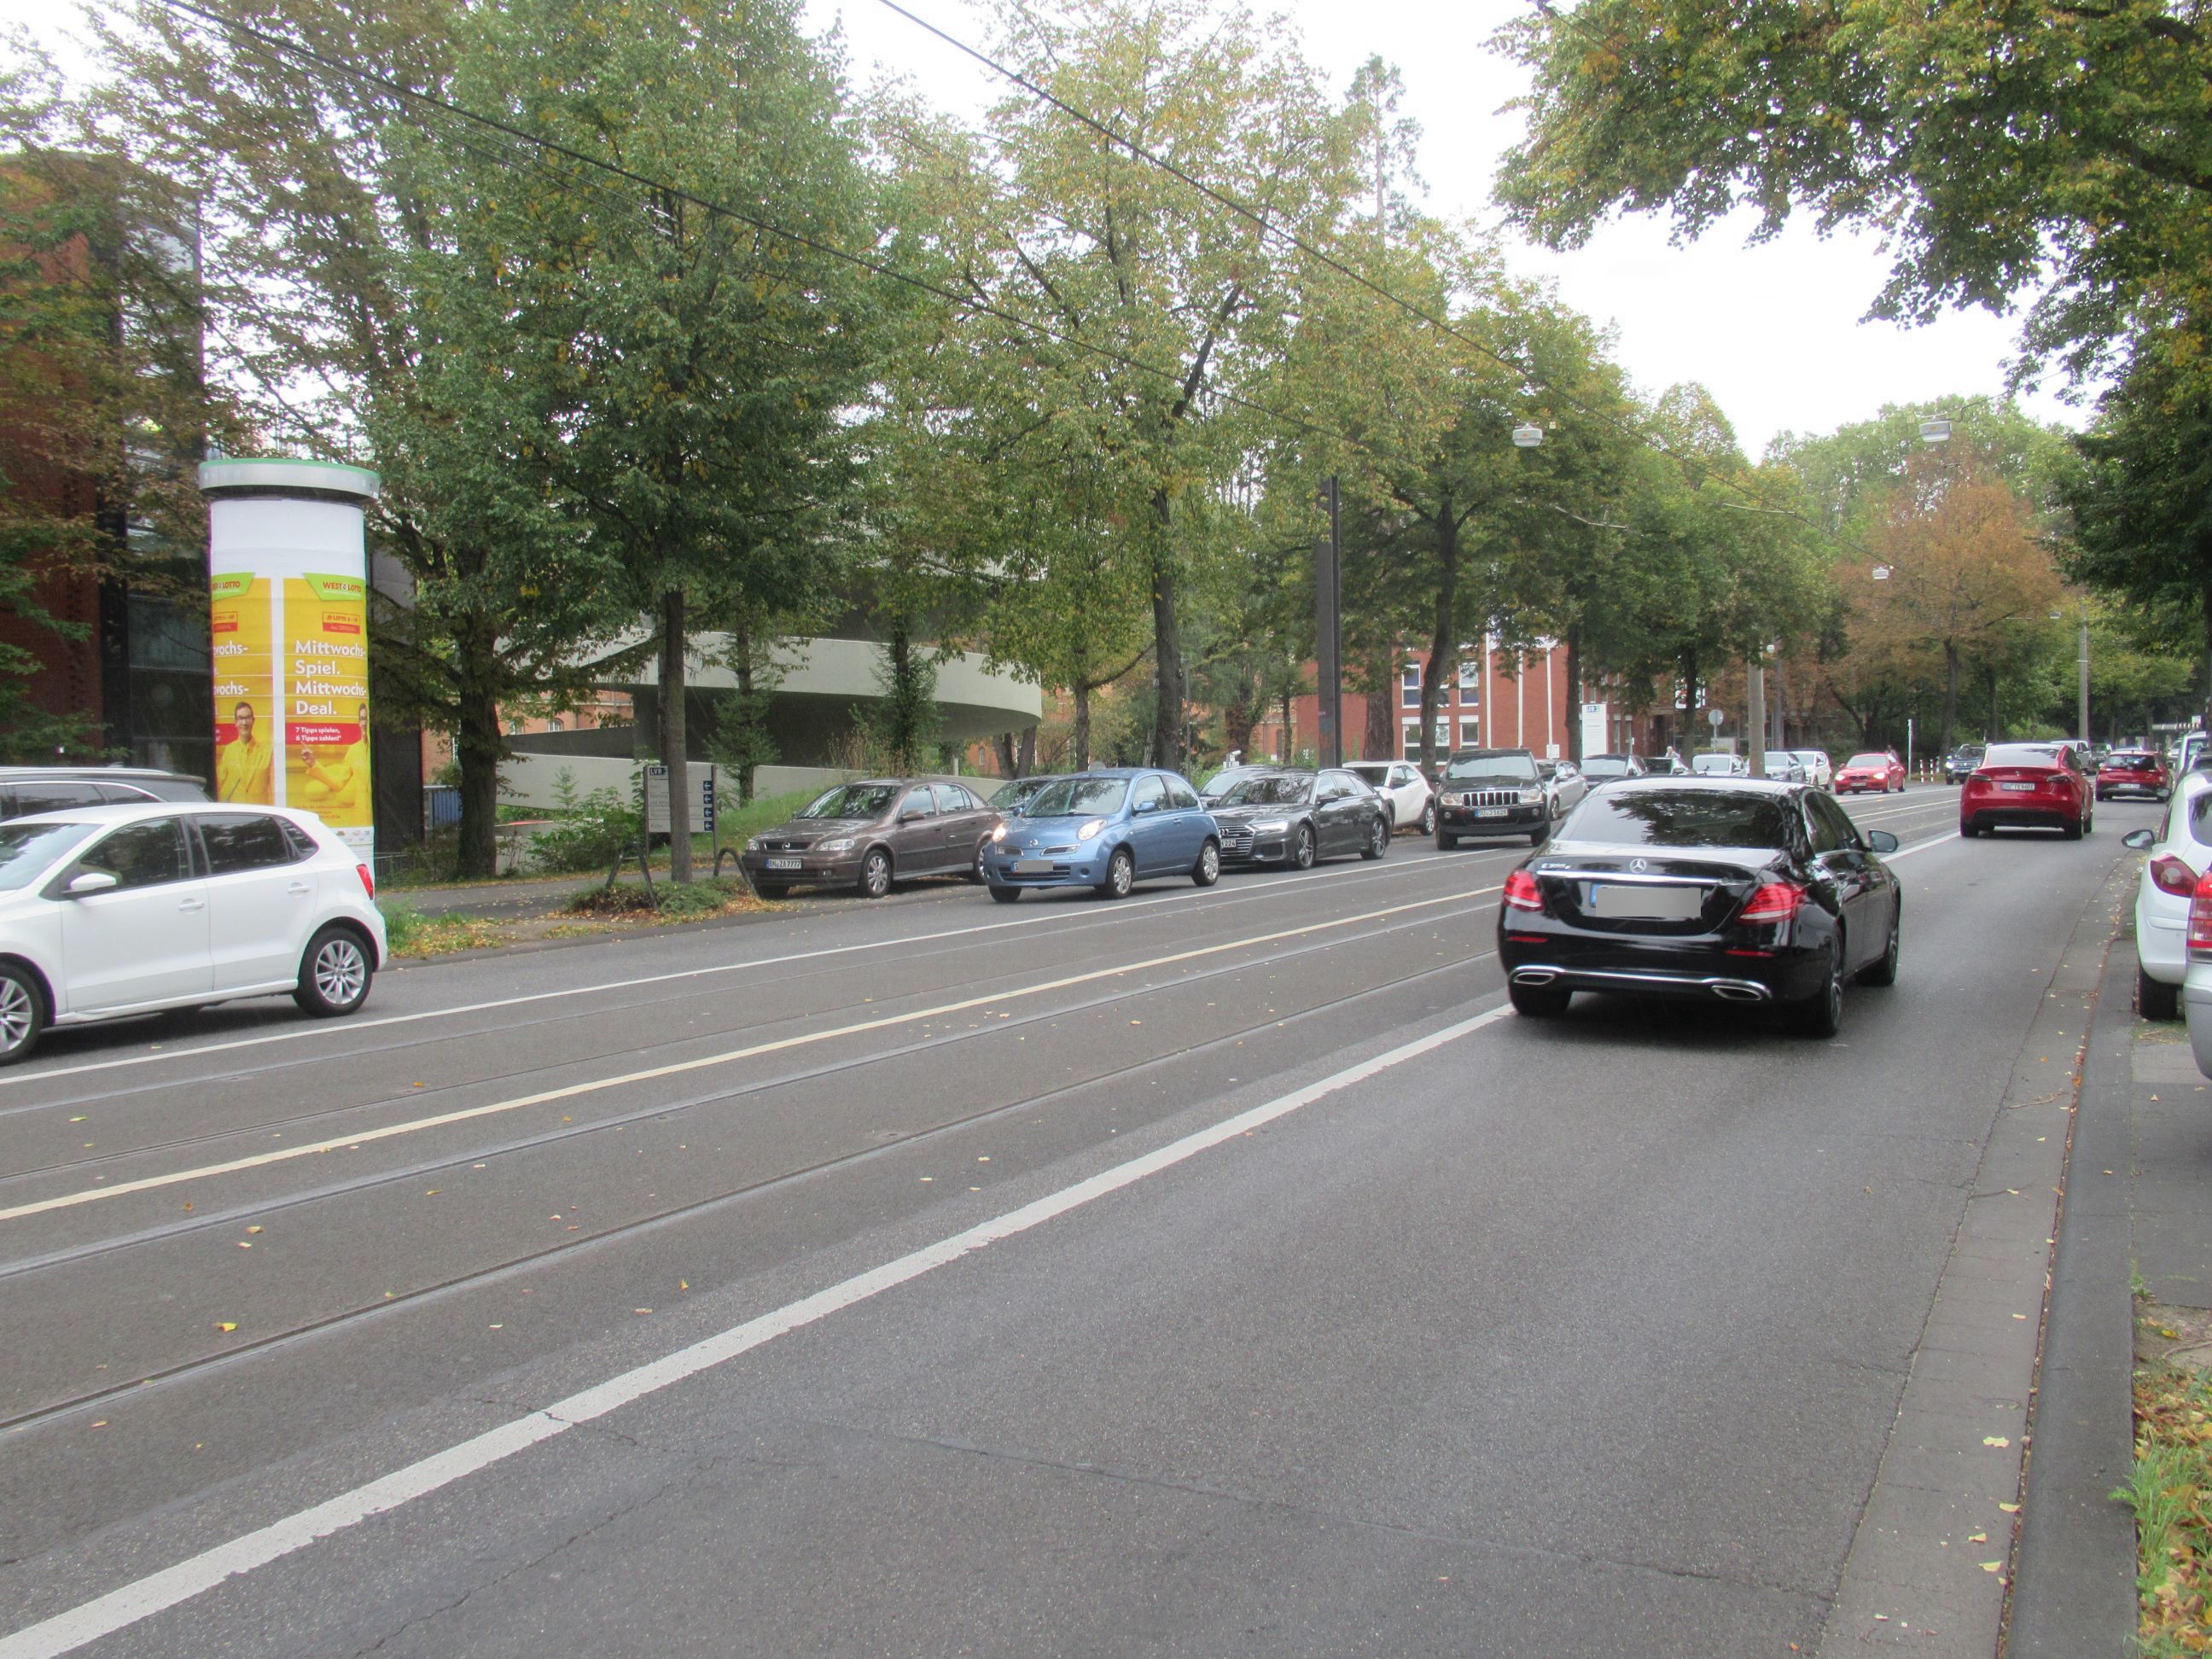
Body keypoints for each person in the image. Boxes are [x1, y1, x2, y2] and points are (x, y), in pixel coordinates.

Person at [299, 701, 370, 819]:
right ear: (359, 723)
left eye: (367, 719)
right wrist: (314, 764)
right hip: (362, 814)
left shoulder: (380, 746)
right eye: (362, 719)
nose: (365, 723)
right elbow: (338, 784)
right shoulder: (354, 749)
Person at [216, 701, 274, 802]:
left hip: (260, 810)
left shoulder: (267, 752)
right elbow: (220, 786)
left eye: (247, 718)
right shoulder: (229, 751)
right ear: (235, 722)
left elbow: (273, 789)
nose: (244, 722)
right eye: (240, 718)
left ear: (253, 720)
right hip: (236, 810)